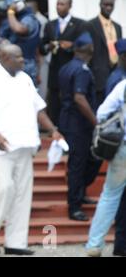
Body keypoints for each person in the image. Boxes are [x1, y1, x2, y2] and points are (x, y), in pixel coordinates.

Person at [0, 44, 62, 255]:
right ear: (3, 57)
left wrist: (53, 130)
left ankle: (15, 242)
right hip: (0, 146)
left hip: (25, 144)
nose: (23, 60)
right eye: (18, 57)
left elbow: (38, 108)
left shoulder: (25, 79)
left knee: (22, 194)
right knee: (0, 189)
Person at [58, 32, 101, 221]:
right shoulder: (82, 70)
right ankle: (74, 207)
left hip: (68, 121)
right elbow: (79, 98)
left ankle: (80, 194)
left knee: (83, 162)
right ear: (89, 49)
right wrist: (96, 123)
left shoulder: (66, 67)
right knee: (78, 164)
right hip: (79, 125)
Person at [86, 79, 126, 257]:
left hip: (123, 148)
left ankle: (94, 244)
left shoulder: (124, 85)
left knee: (110, 196)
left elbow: (102, 113)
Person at [40, 0, 87, 126]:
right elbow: (42, 48)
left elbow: (85, 46)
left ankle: (73, 124)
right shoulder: (50, 25)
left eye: (62, 4)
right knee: (54, 99)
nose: (58, 7)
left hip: (72, 67)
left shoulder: (79, 24)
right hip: (55, 68)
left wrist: (71, 46)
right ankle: (55, 126)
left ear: (69, 6)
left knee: (72, 96)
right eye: (57, 4)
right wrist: (48, 46)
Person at [88, 0, 123, 107]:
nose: (108, 8)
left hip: (116, 71)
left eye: (111, 5)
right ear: (100, 4)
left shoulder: (117, 27)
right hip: (98, 74)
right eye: (105, 4)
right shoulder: (91, 25)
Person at [0, 0, 41, 85]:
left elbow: (19, 29)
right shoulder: (14, 18)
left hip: (26, 64)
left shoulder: (29, 18)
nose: (9, 8)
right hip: (11, 64)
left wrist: (11, 12)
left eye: (11, 5)